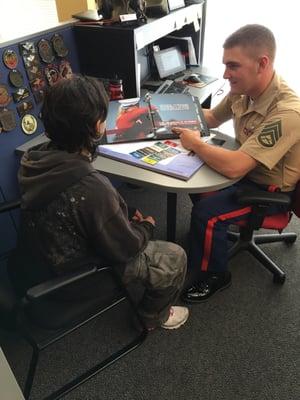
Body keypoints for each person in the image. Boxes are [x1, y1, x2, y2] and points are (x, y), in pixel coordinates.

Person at [12, 74, 189, 330]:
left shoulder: (34, 159)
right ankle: (151, 318)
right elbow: (126, 249)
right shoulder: (91, 188)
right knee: (173, 257)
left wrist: (117, 213)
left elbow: (76, 210)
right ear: (97, 126)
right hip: (74, 278)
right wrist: (146, 227)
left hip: (36, 262)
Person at [172, 24, 300, 303]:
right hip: (246, 171)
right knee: (192, 177)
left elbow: (234, 167)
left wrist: (196, 143)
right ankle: (212, 238)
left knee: (207, 214)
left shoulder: (287, 112)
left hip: (267, 190)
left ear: (262, 63)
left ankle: (216, 275)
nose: (225, 74)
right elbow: (211, 118)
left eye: (233, 66)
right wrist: (166, 113)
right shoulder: (243, 90)